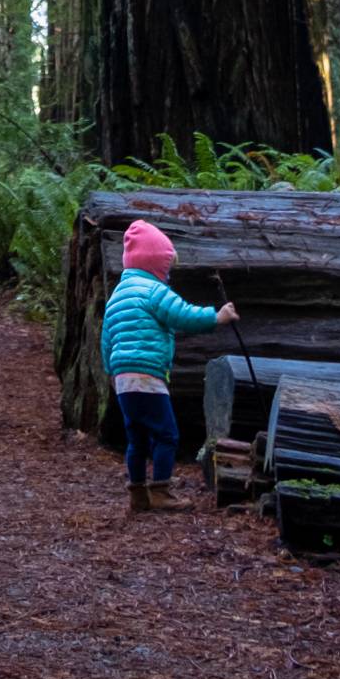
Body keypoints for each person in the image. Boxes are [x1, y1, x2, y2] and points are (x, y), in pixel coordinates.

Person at [99, 219, 238, 515]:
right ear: (154, 262)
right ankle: (160, 491)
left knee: (136, 438)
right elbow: (182, 315)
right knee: (167, 435)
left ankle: (137, 494)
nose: (168, 273)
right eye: (167, 266)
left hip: (123, 379)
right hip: (148, 374)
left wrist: (111, 372)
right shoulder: (153, 290)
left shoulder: (116, 297)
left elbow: (106, 339)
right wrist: (216, 317)